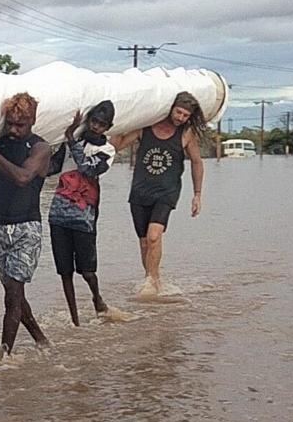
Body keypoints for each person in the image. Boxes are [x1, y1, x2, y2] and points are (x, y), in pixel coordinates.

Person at [109, 91, 207, 296]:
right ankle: (153, 281)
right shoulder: (145, 127)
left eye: (185, 115)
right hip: (140, 191)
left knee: (154, 237)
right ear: (170, 108)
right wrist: (119, 124)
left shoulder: (186, 134)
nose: (181, 118)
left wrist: (197, 194)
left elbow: (197, 162)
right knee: (144, 241)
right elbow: (116, 147)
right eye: (178, 112)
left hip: (167, 192)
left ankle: (151, 281)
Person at [0, 92, 52, 358]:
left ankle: (4, 356)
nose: (13, 129)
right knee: (15, 295)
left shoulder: (40, 148)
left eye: (19, 124)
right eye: (9, 123)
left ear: (33, 120)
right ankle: (42, 340)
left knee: (12, 295)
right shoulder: (1, 144)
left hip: (26, 228)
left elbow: (23, 177)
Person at [47, 100, 117, 326]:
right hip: (58, 214)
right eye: (94, 121)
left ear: (108, 127)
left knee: (86, 271)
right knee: (64, 271)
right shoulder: (72, 143)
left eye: (101, 124)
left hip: (84, 217)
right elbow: (51, 168)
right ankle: (75, 319)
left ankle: (97, 298)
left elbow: (88, 168)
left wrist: (70, 140)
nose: (96, 127)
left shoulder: (107, 150)